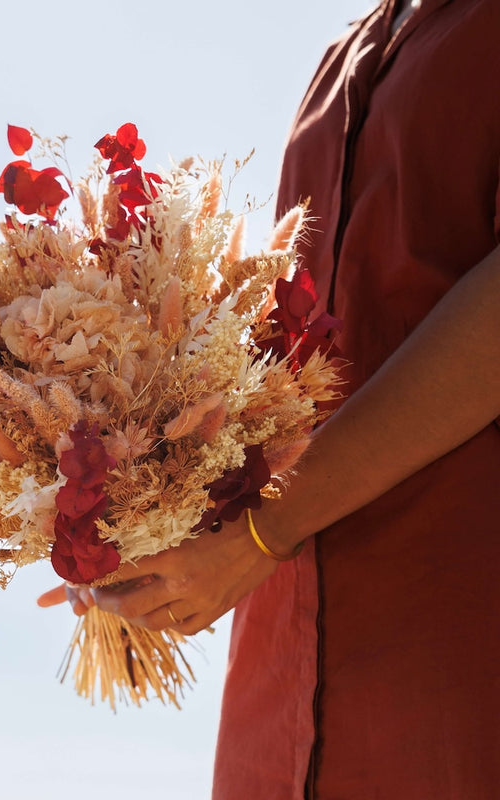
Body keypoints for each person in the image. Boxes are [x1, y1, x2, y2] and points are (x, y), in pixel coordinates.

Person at [39, 0, 500, 796]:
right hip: (277, 667)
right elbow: (297, 348)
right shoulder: (339, 62)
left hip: (458, 641)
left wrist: (263, 534)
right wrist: (128, 501)